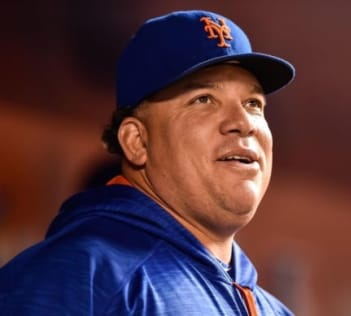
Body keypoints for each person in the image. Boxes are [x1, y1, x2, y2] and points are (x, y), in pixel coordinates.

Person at [0, 10, 295, 315]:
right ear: (137, 141)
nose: (244, 122)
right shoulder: (75, 280)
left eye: (253, 103)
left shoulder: (274, 310)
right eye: (203, 99)